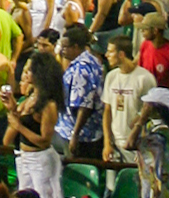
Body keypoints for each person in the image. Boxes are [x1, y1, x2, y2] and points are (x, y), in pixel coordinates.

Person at [5, 50, 63, 198]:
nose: (26, 74)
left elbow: (44, 140)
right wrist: (12, 107)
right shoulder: (31, 95)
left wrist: (19, 127)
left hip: (41, 160)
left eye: (30, 70)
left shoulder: (48, 105)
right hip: (24, 157)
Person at [101, 35, 157, 165]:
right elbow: (107, 111)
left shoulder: (144, 78)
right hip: (115, 144)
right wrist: (107, 143)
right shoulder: (111, 77)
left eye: (110, 51)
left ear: (121, 54)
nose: (106, 55)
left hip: (137, 144)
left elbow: (150, 111)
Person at [53, 24, 103, 157]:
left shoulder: (81, 70)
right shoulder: (93, 60)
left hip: (80, 135)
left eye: (65, 47)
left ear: (75, 47)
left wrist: (75, 134)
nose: (62, 51)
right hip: (89, 132)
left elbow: (84, 106)